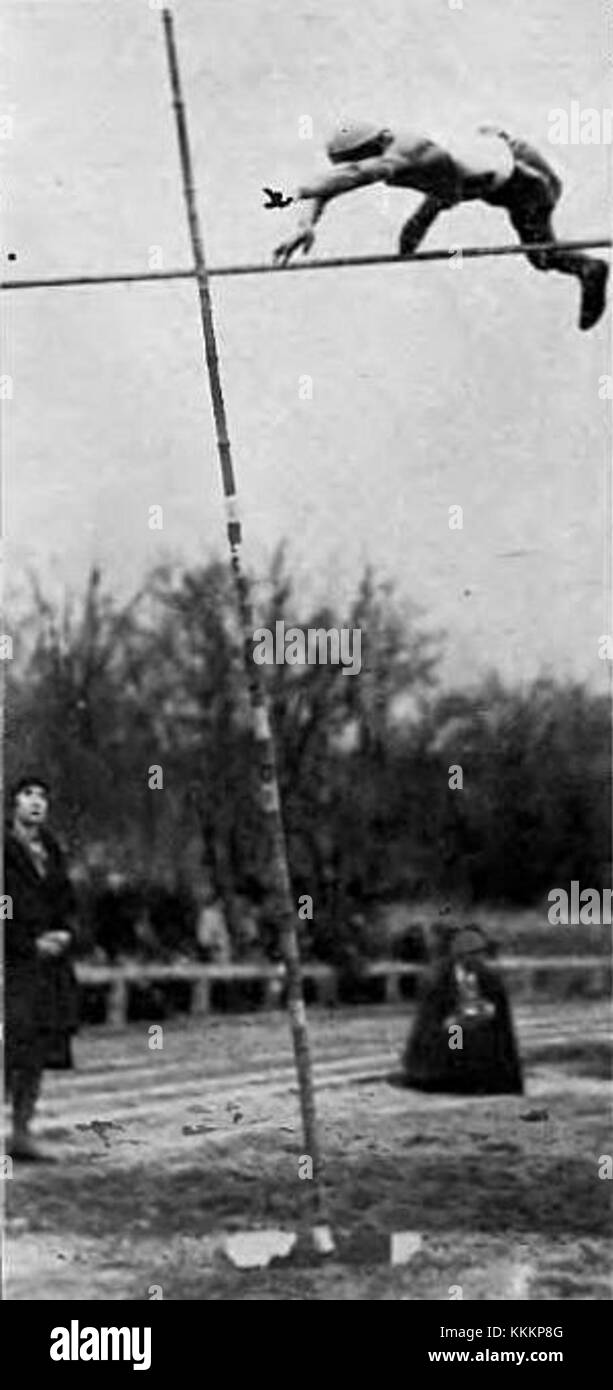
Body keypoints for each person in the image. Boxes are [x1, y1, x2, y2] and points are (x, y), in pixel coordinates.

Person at [273, 120, 608, 331]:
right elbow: (335, 185)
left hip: (526, 179)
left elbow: (355, 177)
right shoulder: (395, 150)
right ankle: (585, 266)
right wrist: (304, 224)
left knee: (542, 256)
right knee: (453, 194)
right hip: (494, 166)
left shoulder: (408, 155)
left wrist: (297, 190)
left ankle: (590, 268)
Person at [4, 774, 79, 1161]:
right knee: (9, 1046)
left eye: (42, 796)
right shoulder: (4, 849)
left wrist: (65, 933)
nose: (36, 802)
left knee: (34, 1049)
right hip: (11, 964)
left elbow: (68, 900)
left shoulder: (52, 850)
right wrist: (24, 942)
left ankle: (21, 1131)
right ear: (13, 803)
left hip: (47, 968)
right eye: (28, 794)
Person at [402, 923, 523, 1094]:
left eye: (481, 954)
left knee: (488, 1035)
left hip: (479, 1027)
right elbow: (429, 1019)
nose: (478, 959)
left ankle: (484, 1076)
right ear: (460, 956)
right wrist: (454, 1019)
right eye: (473, 955)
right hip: (448, 1032)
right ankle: (451, 1076)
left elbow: (502, 1018)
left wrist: (487, 1011)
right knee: (456, 1033)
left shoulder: (489, 979)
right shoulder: (439, 980)